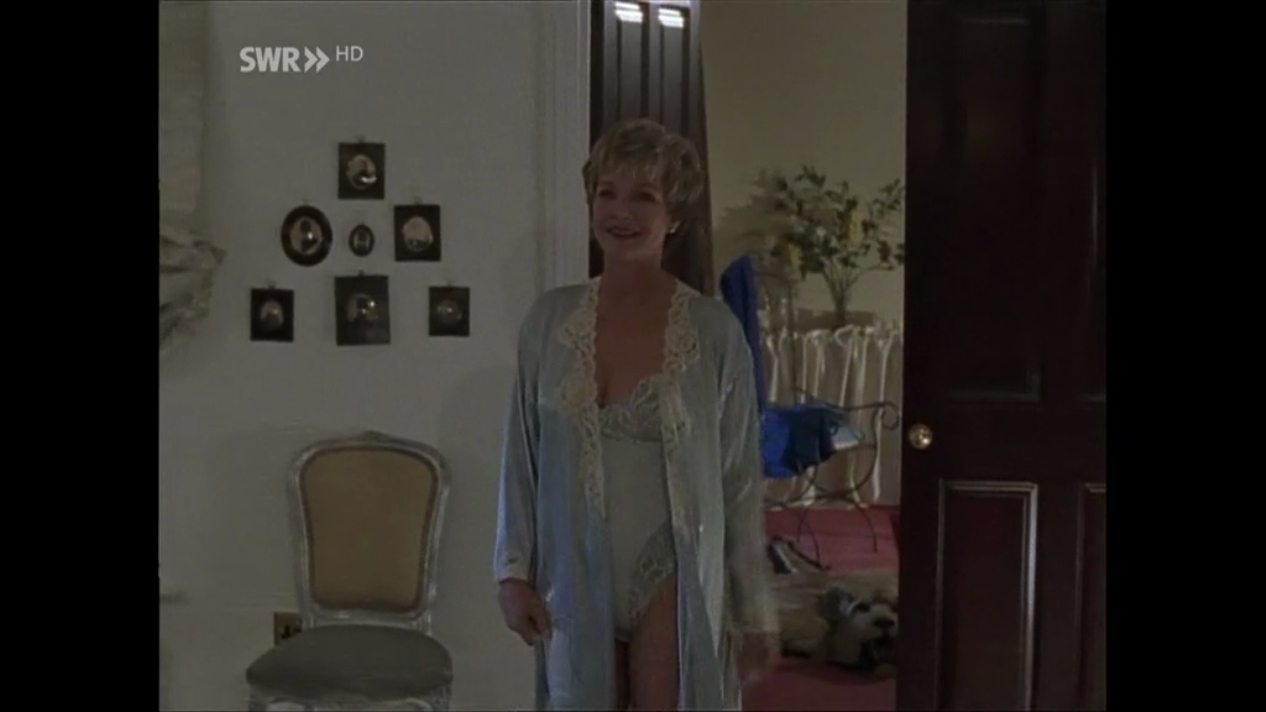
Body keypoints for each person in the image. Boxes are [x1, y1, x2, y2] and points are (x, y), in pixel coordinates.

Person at [493, 118, 779, 710]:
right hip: (571, 567)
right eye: (608, 192)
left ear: (673, 216)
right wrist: (512, 573)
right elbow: (521, 457)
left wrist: (753, 611)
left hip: (670, 567)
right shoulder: (549, 322)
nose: (620, 212)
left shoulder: (713, 332)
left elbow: (739, 479)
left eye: (643, 196)